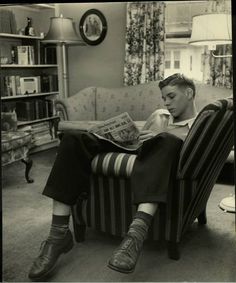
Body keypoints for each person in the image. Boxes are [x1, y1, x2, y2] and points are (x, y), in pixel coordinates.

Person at [28, 73, 198, 280]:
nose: (166, 102)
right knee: (72, 140)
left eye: (171, 96)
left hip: (160, 157)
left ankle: (135, 237)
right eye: (164, 98)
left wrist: (162, 137)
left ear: (189, 93)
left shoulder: (199, 123)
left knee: (167, 141)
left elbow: (193, 152)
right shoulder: (160, 115)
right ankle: (58, 235)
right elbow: (140, 139)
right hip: (137, 149)